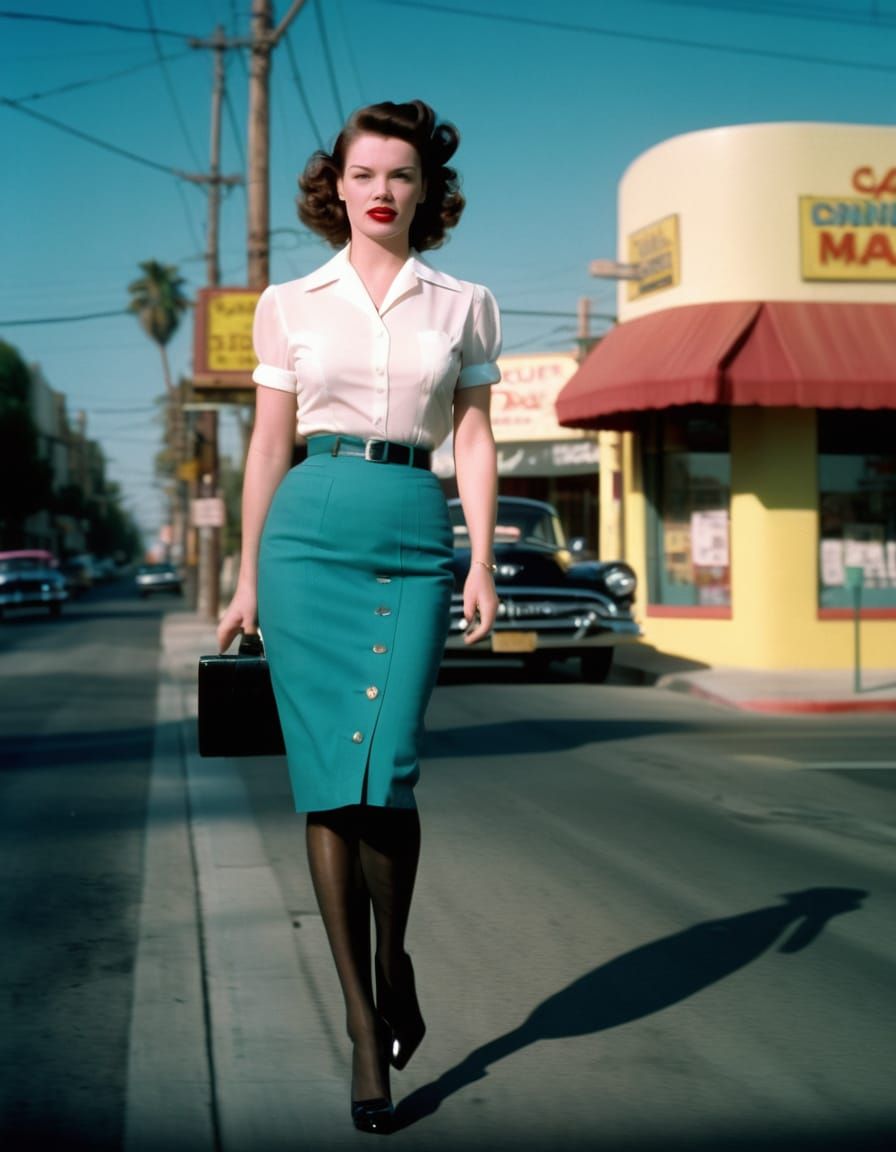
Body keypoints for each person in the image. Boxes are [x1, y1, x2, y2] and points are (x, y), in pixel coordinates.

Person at [217, 99, 501, 1134]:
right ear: (333, 186)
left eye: (401, 175)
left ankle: (394, 962)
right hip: (307, 535)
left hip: (414, 532)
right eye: (364, 173)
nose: (381, 190)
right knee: (331, 786)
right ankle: (360, 1025)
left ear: (426, 191)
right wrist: (247, 578)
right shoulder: (287, 304)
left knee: (386, 767)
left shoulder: (463, 302)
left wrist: (477, 557)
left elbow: (471, 436)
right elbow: (264, 446)